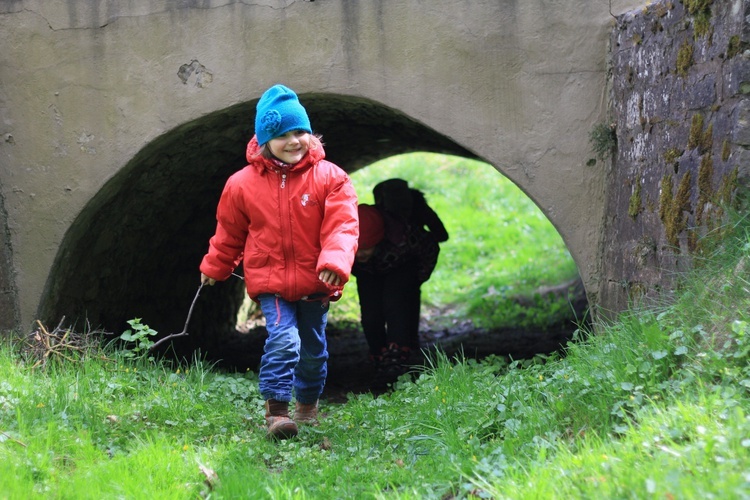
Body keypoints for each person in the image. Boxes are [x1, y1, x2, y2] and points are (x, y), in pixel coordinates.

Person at [199, 84, 359, 439]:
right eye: (282, 134)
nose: (293, 141)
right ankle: (277, 413)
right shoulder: (241, 185)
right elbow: (229, 232)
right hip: (271, 282)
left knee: (313, 351)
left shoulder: (330, 178)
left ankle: (306, 407)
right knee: (285, 341)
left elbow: (343, 225)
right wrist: (215, 266)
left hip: (316, 283)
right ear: (264, 139)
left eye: (300, 131)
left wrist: (334, 261)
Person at [352, 179, 448, 387]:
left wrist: (418, 278)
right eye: (356, 249)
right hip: (369, 273)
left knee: (396, 306)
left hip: (402, 267)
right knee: (370, 315)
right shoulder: (349, 245)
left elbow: (434, 243)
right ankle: (378, 356)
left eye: (365, 249)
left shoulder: (404, 238)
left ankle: (398, 358)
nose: (359, 253)